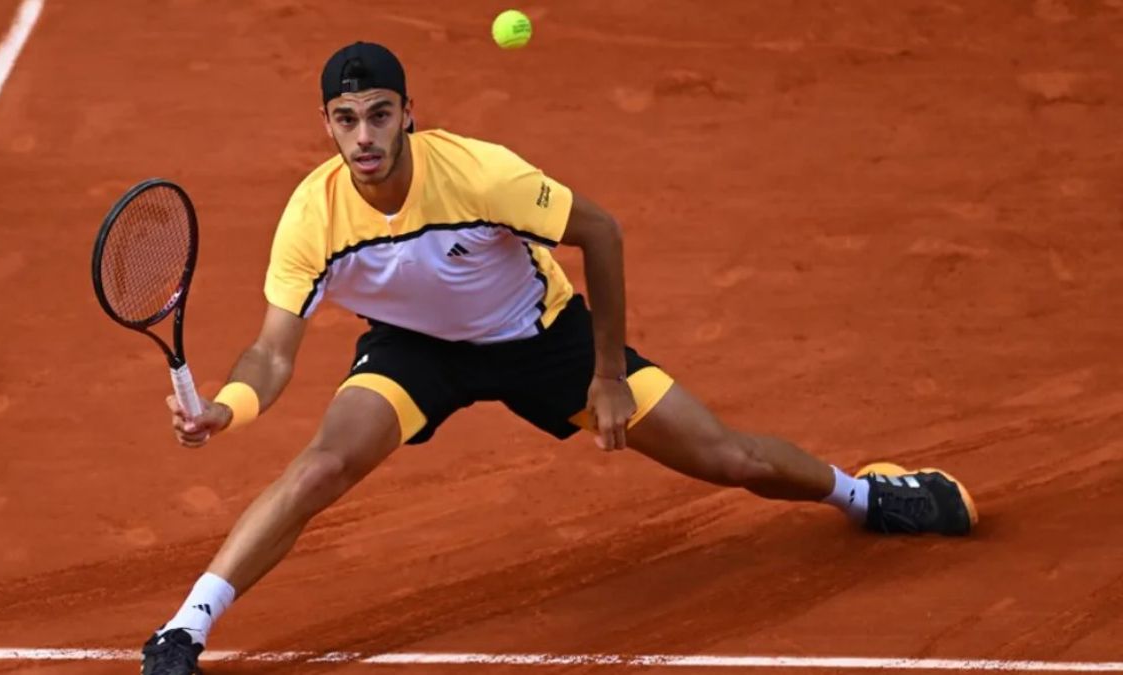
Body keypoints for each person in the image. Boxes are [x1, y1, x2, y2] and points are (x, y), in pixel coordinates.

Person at [139, 41, 977, 675]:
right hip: (416, 353)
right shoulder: (310, 217)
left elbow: (600, 232)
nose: (365, 136)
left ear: (408, 114)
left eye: (381, 114)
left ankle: (867, 494)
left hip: (542, 337)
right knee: (321, 467)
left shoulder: (480, 174)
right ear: (326, 123)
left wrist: (607, 373)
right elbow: (272, 352)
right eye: (348, 119)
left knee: (728, 456)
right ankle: (185, 628)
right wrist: (227, 407)